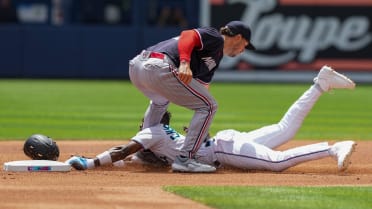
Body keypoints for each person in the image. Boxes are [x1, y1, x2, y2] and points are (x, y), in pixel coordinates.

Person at [66, 66, 357, 172]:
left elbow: (121, 152)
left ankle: (332, 148)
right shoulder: (156, 139)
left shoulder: (151, 133)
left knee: (277, 163)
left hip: (223, 149)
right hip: (225, 142)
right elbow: (128, 159)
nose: (139, 130)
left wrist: (89, 163)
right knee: (284, 129)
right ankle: (320, 84)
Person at [128, 20, 256, 172]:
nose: (243, 50)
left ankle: (145, 152)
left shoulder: (215, 58)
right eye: (245, 45)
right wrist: (184, 63)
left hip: (138, 67)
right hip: (158, 66)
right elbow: (187, 35)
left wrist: (201, 129)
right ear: (238, 38)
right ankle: (185, 159)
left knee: (160, 102)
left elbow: (201, 90)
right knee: (209, 106)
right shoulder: (215, 37)